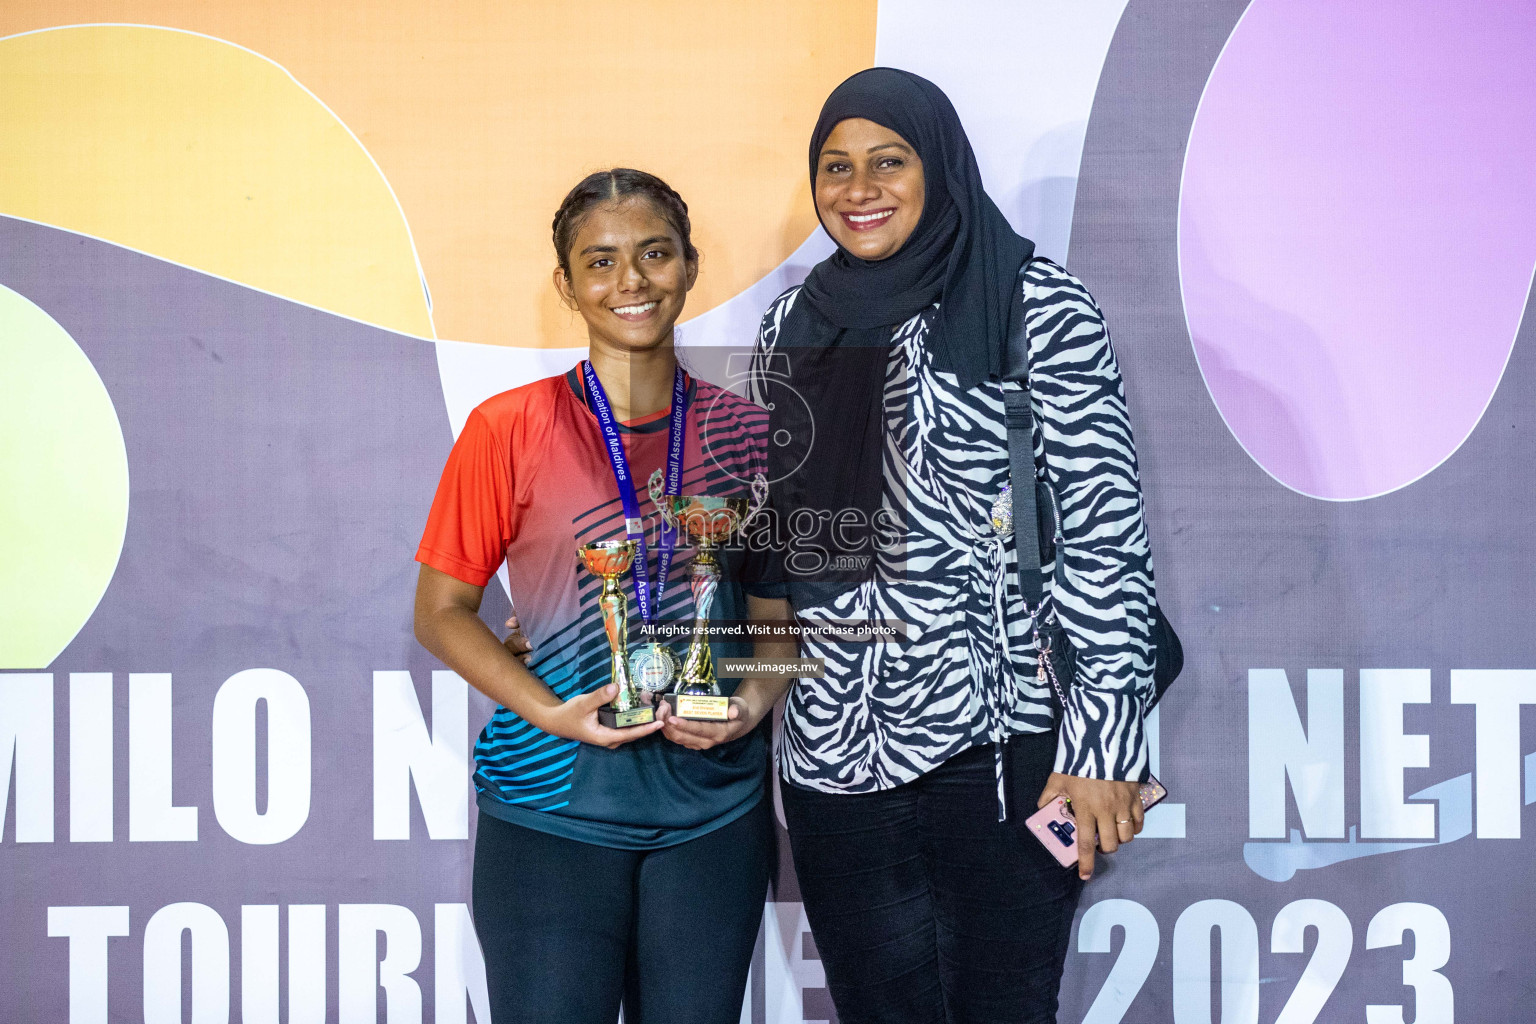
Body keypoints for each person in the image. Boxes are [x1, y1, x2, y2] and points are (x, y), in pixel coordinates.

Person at [663, 68, 1161, 1024]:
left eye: (887, 161)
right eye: (836, 166)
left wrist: (1103, 748)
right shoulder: (794, 326)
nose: (860, 188)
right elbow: (785, 552)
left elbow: (1104, 545)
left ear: (937, 166)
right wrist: (724, 669)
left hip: (1003, 744)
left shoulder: (1039, 309)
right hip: (832, 758)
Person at [413, 168, 784, 1024]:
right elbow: (440, 613)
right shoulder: (509, 429)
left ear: (690, 266)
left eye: (655, 254)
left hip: (712, 815)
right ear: (567, 284)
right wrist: (552, 712)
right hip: (552, 811)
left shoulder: (753, 436)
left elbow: (780, 614)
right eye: (602, 261)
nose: (632, 283)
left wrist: (754, 700)